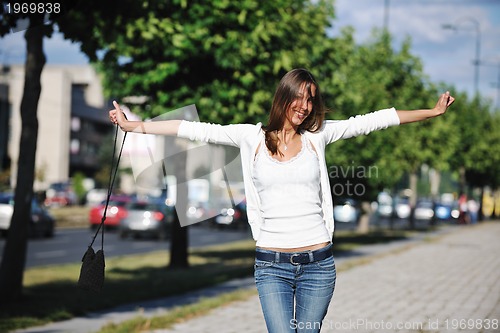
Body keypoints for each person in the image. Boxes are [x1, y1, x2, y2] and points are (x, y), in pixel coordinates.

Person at [109, 68, 455, 332]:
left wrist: (432, 111)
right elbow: (193, 129)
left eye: (311, 99)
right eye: (299, 97)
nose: (305, 107)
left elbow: (373, 121)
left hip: (318, 266)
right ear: (284, 96)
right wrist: (133, 126)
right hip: (271, 265)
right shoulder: (251, 137)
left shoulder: (318, 136)